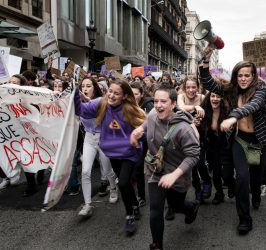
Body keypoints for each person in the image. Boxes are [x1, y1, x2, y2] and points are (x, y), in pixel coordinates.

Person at [199, 46, 266, 235]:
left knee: (255, 177)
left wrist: (233, 116)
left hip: (257, 141)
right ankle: (245, 219)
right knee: (241, 178)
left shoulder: (261, 89)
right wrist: (205, 60)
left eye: (247, 75)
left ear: (253, 76)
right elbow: (207, 81)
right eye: (240, 75)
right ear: (235, 76)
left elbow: (253, 106)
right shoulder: (230, 91)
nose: (244, 79)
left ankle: (256, 194)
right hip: (240, 140)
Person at [130, 84, 200, 250]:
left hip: (178, 176)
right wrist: (138, 131)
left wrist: (174, 175)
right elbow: (148, 123)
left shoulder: (184, 129)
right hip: (156, 171)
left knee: (176, 206)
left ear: (173, 104)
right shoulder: (153, 114)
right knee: (155, 209)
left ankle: (191, 208)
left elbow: (194, 155)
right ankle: (157, 244)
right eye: (155, 101)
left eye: (163, 102)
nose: (158, 105)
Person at [74, 78, 146, 235]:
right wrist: (74, 93)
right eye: (110, 91)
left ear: (125, 96)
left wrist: (138, 134)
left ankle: (129, 216)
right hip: (112, 153)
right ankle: (134, 204)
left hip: (129, 153)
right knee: (125, 184)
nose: (111, 96)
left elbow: (147, 125)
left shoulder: (130, 109)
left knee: (124, 183)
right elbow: (80, 110)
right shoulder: (102, 103)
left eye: (116, 93)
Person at [76, 77, 119, 216]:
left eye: (89, 86)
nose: (85, 88)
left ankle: (113, 188)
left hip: (103, 138)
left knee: (107, 170)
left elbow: (93, 107)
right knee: (85, 171)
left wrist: (86, 101)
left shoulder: (102, 101)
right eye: (83, 86)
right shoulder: (78, 102)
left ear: (95, 87)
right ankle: (87, 204)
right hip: (89, 138)